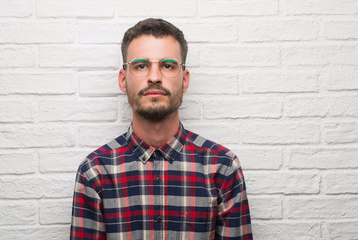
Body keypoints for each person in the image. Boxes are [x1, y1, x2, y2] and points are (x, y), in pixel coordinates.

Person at [70, 18, 253, 240]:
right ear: (123, 79)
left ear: (184, 80)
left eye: (167, 66)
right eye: (140, 66)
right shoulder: (95, 171)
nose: (154, 77)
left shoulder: (222, 168)